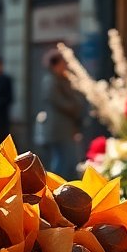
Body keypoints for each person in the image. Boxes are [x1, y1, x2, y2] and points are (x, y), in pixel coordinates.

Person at [38, 50, 85, 180]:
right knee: (60, 160)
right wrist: (75, 107)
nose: (66, 65)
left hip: (65, 128)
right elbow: (59, 101)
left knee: (66, 159)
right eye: (63, 62)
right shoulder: (50, 80)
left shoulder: (62, 79)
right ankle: (55, 184)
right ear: (56, 64)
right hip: (58, 128)